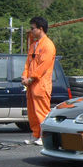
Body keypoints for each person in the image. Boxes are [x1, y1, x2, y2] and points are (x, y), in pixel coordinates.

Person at [21, 16, 56, 146]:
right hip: (31, 85)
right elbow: (28, 64)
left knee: (41, 111)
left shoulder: (48, 45)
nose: (31, 31)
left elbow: (43, 66)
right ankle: (36, 135)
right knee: (32, 112)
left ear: (40, 29)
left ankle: (44, 136)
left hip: (41, 85)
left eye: (32, 28)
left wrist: (31, 78)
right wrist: (24, 76)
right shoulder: (34, 45)